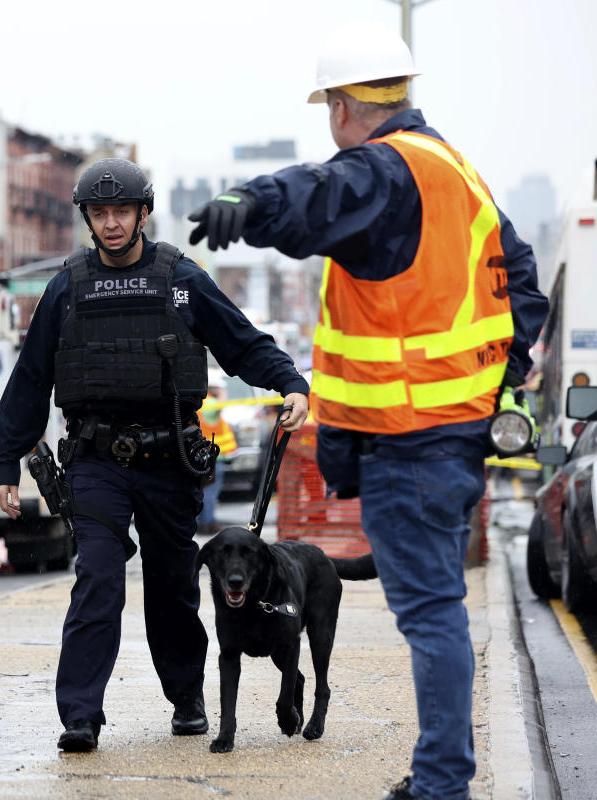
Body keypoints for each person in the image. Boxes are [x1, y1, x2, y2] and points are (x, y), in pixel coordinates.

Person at [187, 21, 548, 800]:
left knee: (430, 616)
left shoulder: (388, 169)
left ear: (345, 107)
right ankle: (438, 775)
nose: (332, 127)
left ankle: (442, 784)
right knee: (435, 609)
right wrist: (491, 385)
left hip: (409, 444)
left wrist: (246, 201)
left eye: (330, 111)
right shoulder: (459, 174)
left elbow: (323, 194)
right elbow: (525, 290)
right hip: (444, 440)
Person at [0, 157, 309, 753]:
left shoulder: (181, 279)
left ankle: (187, 697)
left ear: (143, 213)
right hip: (95, 460)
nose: (111, 223)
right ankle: (81, 715)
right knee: (98, 581)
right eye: (100, 213)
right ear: (88, 218)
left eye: (122, 211)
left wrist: (290, 382)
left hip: (169, 461)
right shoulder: (65, 288)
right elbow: (30, 381)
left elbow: (241, 342)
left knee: (172, 585)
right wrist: (5, 463)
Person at [195, 374, 236, 533]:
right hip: (212, 456)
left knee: (204, 490)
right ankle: (207, 523)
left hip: (201, 454)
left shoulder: (199, 402)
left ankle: (204, 521)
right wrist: (220, 393)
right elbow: (222, 404)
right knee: (210, 491)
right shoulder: (211, 402)